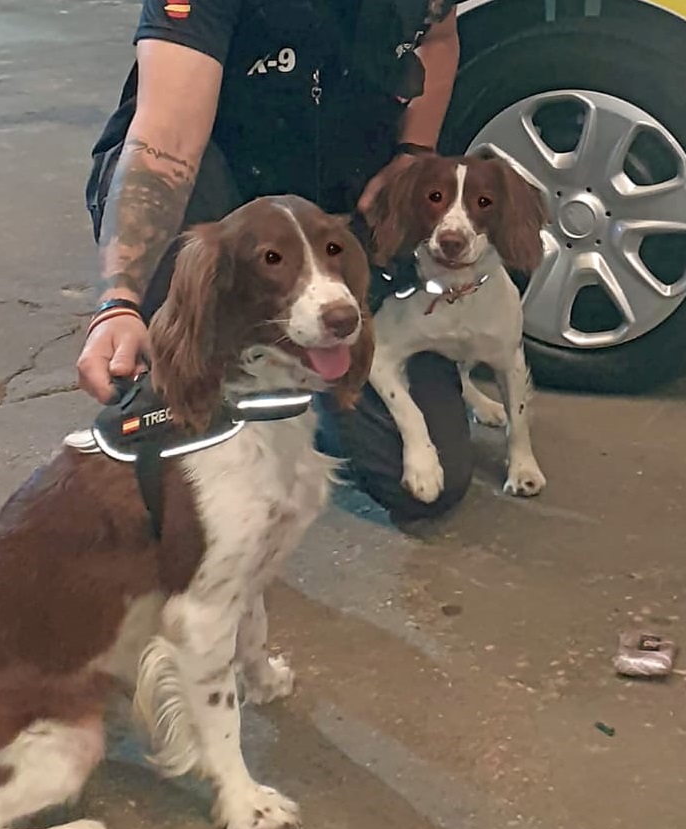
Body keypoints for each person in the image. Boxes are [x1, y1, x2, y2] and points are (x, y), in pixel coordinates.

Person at [77, 0, 473, 522]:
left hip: (330, 202)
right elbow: (165, 145)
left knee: (425, 478)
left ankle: (310, 382)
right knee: (191, 290)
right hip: (214, 194)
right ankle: (169, 408)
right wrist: (120, 301)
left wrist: (414, 152)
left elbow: (439, 37)